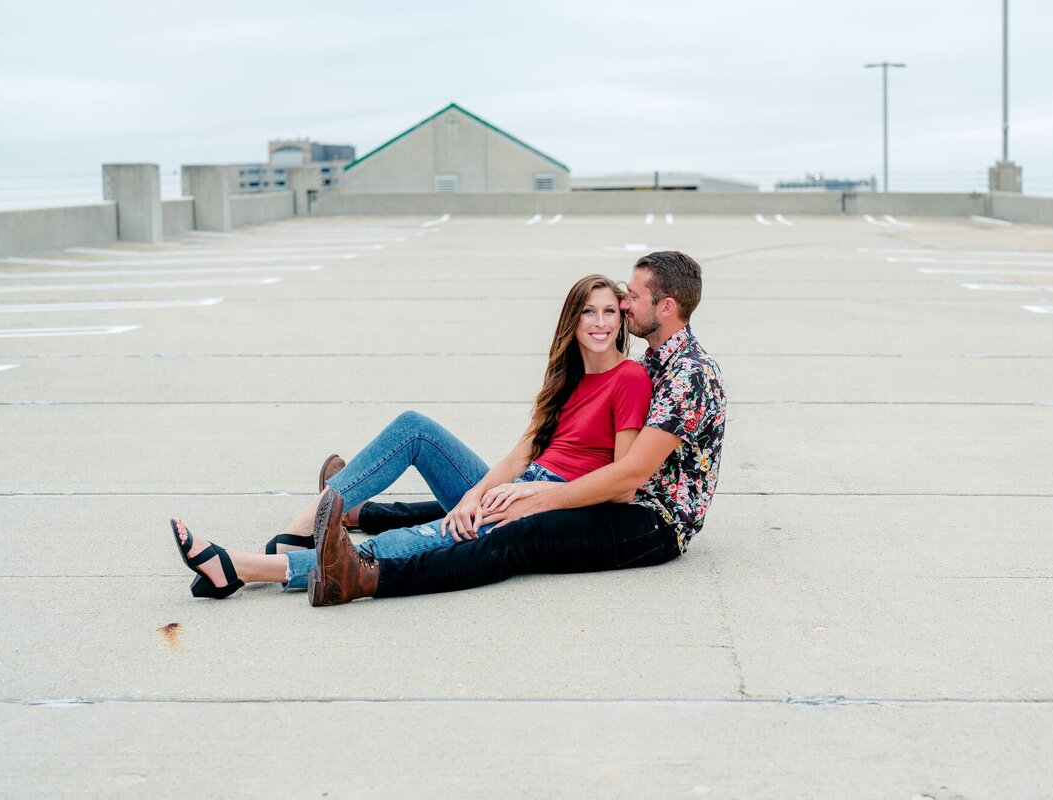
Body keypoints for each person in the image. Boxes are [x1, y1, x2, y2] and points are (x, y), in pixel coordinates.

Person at [170, 274, 653, 599]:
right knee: (414, 430)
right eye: (590, 312)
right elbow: (518, 455)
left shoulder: (628, 378)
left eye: (610, 312)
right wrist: (474, 495)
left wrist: (535, 494)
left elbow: (617, 478)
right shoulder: (566, 379)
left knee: (424, 537)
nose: (601, 323)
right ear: (574, 320)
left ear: (620, 322)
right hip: (516, 485)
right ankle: (297, 533)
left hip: (552, 502)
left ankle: (241, 567)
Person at [304, 250, 726, 606]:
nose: (625, 305)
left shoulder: (689, 373)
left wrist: (538, 496)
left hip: (649, 521)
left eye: (632, 297)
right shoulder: (652, 360)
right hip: (600, 492)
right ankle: (355, 512)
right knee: (484, 502)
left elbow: (630, 476)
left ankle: (359, 572)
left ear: (666, 307)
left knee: (513, 529)